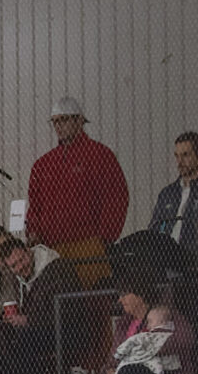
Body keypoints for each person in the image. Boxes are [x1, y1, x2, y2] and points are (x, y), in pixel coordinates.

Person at [26, 98, 130, 282]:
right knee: (57, 302)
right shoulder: (42, 165)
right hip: (52, 251)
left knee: (92, 302)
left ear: (79, 121)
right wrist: (34, 235)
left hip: (89, 247)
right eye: (55, 121)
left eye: (64, 120)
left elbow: (116, 198)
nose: (59, 126)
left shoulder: (100, 155)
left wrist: (104, 240)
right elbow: (34, 206)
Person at [148, 130, 198, 251]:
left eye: (185, 155)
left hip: (191, 260)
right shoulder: (167, 193)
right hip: (164, 260)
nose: (180, 162)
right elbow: (153, 230)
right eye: (177, 156)